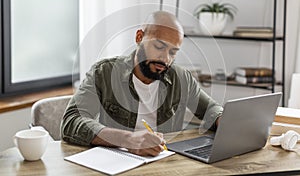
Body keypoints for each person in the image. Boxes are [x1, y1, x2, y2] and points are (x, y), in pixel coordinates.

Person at [60, 11, 223, 157]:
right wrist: (128, 140)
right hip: (115, 162)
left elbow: (211, 109)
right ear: (139, 38)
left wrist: (221, 119)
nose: (165, 59)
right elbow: (72, 121)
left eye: (173, 52)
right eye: (159, 46)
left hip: (163, 164)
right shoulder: (104, 72)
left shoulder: (181, 78)